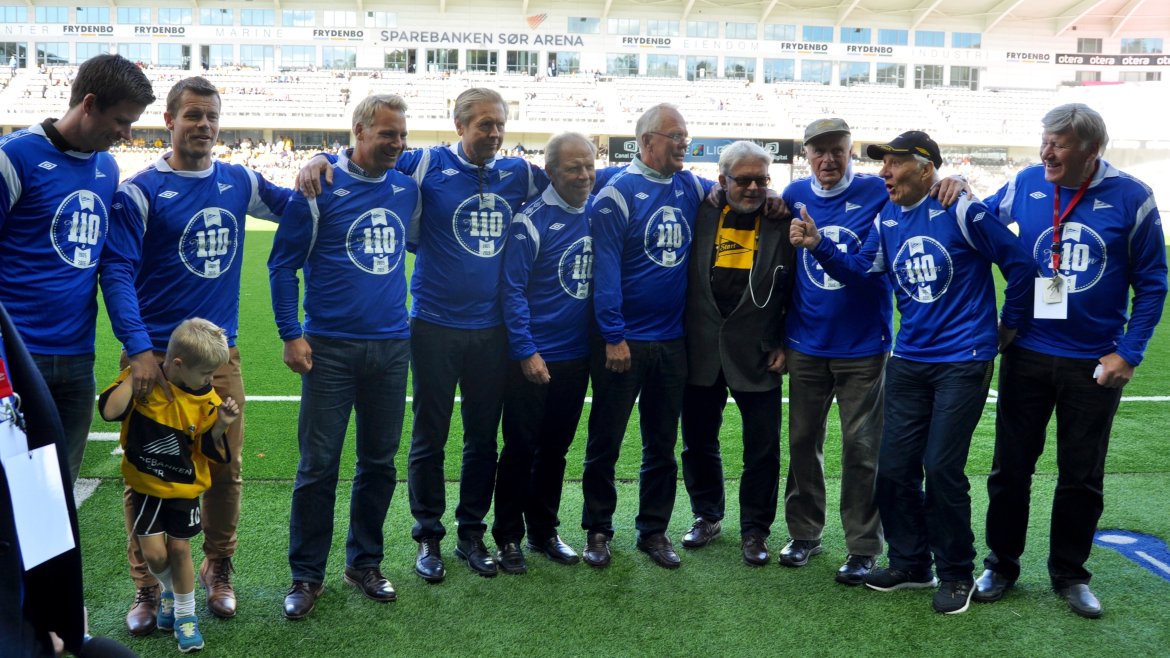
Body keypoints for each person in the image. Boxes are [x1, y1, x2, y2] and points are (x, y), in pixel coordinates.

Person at [790, 130, 1035, 614]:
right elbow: (861, 273)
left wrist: (1009, 328)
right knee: (894, 467)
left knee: (941, 468)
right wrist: (818, 245)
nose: (884, 172)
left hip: (962, 361)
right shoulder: (887, 220)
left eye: (895, 164)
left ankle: (956, 572)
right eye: (883, 164)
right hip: (910, 359)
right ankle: (910, 562)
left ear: (927, 169)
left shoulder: (961, 210)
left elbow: (1020, 262)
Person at [960, 104, 1166, 617]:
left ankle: (1070, 574)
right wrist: (955, 190)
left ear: (1092, 150)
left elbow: (1154, 282)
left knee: (1081, 475)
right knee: (1010, 470)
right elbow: (977, 224)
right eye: (1044, 139)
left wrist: (1128, 352)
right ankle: (1000, 565)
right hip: (1026, 353)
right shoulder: (1026, 182)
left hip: (1093, 363)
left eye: (1059, 143)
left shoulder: (1133, 197)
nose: (1045, 151)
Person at [104, 76, 290, 634]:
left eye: (211, 116)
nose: (203, 126)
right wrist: (139, 350)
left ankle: (219, 567)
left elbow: (296, 209)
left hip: (217, 361)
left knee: (225, 470)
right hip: (153, 362)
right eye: (192, 116)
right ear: (169, 120)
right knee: (144, 473)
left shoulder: (239, 181)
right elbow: (115, 271)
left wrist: (320, 167)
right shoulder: (139, 191)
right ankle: (146, 588)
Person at [270, 94, 420, 620]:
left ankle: (365, 563)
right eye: (387, 135)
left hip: (391, 347)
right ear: (358, 131)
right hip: (329, 349)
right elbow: (282, 265)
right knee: (319, 465)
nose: (397, 145)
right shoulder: (321, 186)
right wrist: (291, 333)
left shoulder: (407, 186)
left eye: (402, 135)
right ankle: (306, 576)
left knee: (379, 463)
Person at [0, 53, 154, 485]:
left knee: (58, 491)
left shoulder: (106, 167)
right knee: (9, 490)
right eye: (121, 121)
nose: (127, 134)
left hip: (76, 359)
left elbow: (108, 265)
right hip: (15, 358)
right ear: (88, 104)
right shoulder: (15, 159)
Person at [581, 103, 716, 570]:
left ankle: (653, 531)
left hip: (672, 341)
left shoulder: (692, 186)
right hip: (623, 343)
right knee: (606, 440)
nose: (684, 143)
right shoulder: (617, 193)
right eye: (675, 136)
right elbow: (606, 272)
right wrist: (614, 334)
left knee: (661, 443)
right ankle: (598, 529)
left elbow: (741, 193)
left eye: (686, 135)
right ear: (646, 142)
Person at [778, 118, 890, 582]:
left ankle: (863, 545)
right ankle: (805, 533)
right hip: (806, 342)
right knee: (804, 443)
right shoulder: (790, 197)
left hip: (862, 345)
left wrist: (956, 181)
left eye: (837, 150)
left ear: (851, 152)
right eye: (818, 150)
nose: (827, 159)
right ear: (806, 153)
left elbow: (865, 272)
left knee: (861, 448)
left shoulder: (876, 194)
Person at [678, 140, 794, 566]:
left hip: (759, 351)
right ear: (721, 180)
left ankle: (755, 531)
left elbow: (796, 291)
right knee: (697, 441)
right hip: (702, 349)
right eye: (742, 180)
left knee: (762, 447)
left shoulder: (781, 219)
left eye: (761, 180)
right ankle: (706, 515)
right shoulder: (701, 209)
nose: (752, 188)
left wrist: (784, 342)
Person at [99, 318, 241, 653]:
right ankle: (166, 590)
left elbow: (207, 448)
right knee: (155, 555)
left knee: (180, 550)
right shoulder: (146, 384)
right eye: (205, 374)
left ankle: (185, 615)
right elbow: (109, 410)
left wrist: (221, 424)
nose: (210, 381)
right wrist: (135, 374)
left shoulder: (207, 400)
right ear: (178, 364)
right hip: (147, 488)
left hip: (185, 490)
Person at [493, 132, 596, 573]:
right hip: (534, 358)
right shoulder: (530, 221)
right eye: (573, 168)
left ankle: (544, 529)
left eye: (589, 166)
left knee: (555, 449)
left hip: (577, 357)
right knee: (519, 448)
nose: (584, 175)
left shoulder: (598, 211)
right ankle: (508, 537)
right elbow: (511, 289)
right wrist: (526, 351)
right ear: (550, 171)